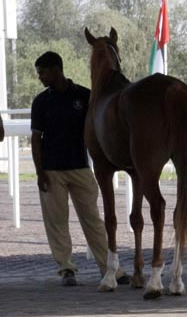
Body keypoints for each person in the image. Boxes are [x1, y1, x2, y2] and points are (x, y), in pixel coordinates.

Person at [31, 51, 129, 286]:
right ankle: (66, 269)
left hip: (81, 168)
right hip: (51, 171)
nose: (40, 78)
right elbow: (36, 139)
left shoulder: (85, 96)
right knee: (57, 222)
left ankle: (110, 269)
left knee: (93, 220)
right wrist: (39, 172)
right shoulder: (41, 102)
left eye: (42, 72)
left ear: (56, 69)